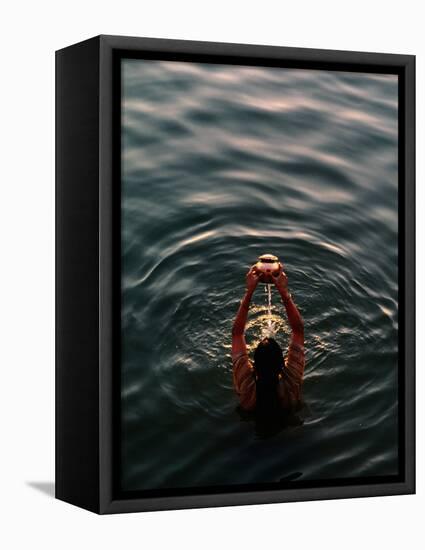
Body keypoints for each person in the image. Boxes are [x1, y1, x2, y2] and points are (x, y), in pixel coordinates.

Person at [231, 264, 305, 416]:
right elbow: (298, 330)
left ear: (254, 367)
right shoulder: (290, 382)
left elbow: (237, 333)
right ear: (282, 365)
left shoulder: (247, 386)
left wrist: (249, 291)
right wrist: (284, 292)